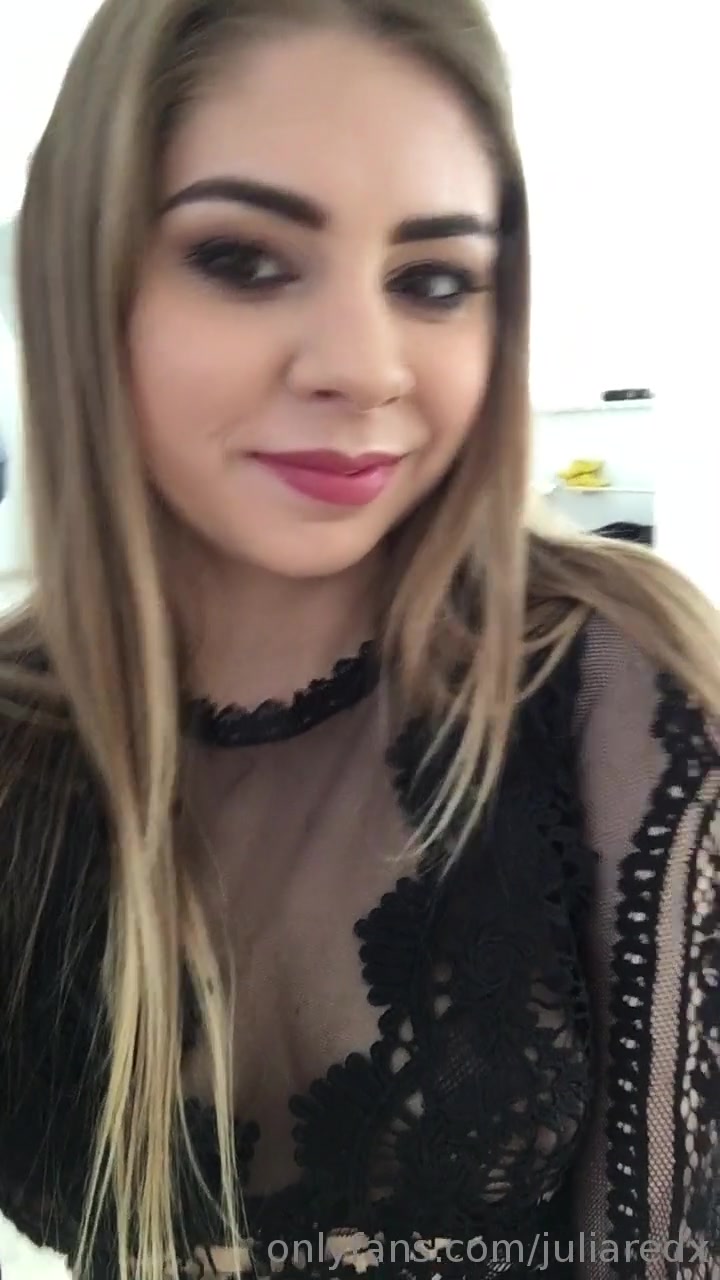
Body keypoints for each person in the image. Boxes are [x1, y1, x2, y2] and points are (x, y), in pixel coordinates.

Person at [0, 1, 718, 1277]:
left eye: (435, 281)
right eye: (243, 258)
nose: (366, 365)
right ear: (78, 277)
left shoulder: (617, 689)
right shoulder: (17, 739)